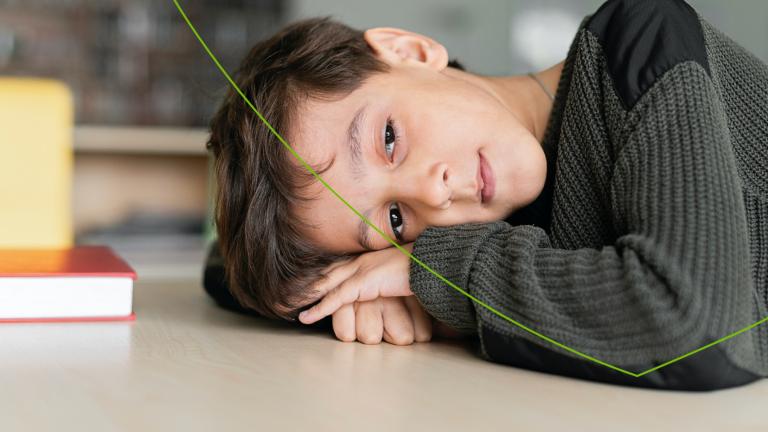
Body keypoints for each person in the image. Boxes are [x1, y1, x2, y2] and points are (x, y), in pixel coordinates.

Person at [203, 0, 768, 390]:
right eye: (395, 220)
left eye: (389, 139)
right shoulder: (507, 220)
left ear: (411, 51)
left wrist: (436, 274)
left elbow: (693, 326)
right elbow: (229, 272)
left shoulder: (639, 42)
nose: (432, 193)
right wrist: (361, 292)